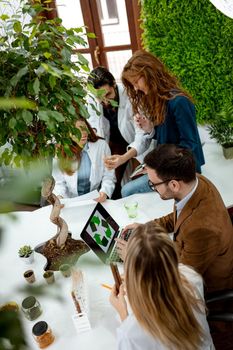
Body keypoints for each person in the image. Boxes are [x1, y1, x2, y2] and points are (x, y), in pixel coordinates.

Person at [116, 144, 233, 293]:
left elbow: (177, 281)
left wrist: (134, 259)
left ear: (174, 185)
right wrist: (146, 228)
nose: (152, 187)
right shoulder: (194, 181)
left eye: (153, 184)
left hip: (206, 291)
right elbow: (178, 215)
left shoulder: (201, 230)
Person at [104, 50, 205, 197]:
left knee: (127, 190)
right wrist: (150, 128)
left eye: (136, 81)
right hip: (168, 170)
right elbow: (169, 136)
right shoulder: (160, 101)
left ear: (149, 73)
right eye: (132, 85)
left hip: (182, 173)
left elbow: (189, 145)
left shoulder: (179, 102)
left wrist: (159, 167)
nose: (136, 88)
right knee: (127, 189)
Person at [110, 222, 214, 350]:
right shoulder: (192, 276)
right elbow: (161, 267)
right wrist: (148, 237)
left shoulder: (130, 332)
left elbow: (134, 337)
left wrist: (123, 314)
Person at [87, 66, 150, 198]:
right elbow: (94, 126)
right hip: (113, 143)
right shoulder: (92, 99)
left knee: (139, 183)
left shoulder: (131, 96)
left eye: (108, 95)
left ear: (114, 84)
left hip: (135, 144)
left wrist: (125, 157)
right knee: (111, 183)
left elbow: (142, 136)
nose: (105, 101)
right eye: (100, 98)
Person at [52, 118, 116, 202]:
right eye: (77, 130)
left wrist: (104, 192)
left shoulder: (102, 145)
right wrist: (60, 197)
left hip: (96, 198)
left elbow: (109, 175)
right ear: (68, 134)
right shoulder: (60, 151)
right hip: (70, 200)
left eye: (84, 128)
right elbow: (59, 182)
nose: (83, 133)